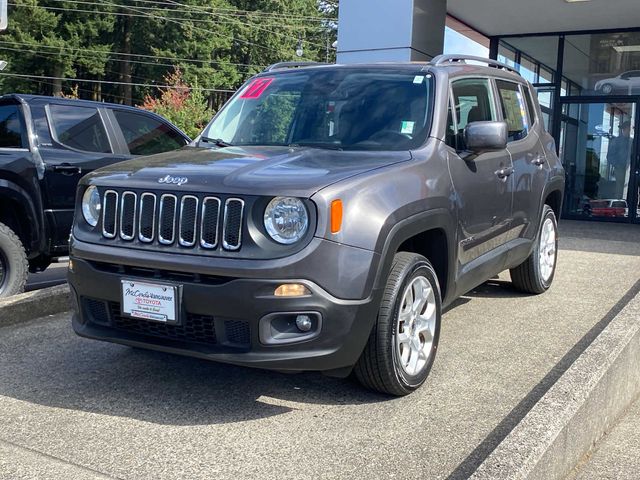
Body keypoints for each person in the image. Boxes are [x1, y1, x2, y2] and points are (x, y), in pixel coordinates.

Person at [607, 120, 632, 200]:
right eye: (627, 129)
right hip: (621, 169)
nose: (628, 131)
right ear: (623, 130)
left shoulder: (633, 141)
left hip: (632, 169)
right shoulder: (616, 141)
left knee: (632, 188)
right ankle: (618, 207)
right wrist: (618, 165)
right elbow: (609, 156)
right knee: (620, 189)